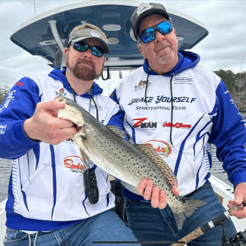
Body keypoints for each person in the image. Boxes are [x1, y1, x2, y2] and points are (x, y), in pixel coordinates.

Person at [110, 2, 246, 245]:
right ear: (141, 48)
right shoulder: (123, 89)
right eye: (148, 34)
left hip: (196, 196)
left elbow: (232, 138)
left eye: (164, 28)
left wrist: (241, 179)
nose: (159, 37)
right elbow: (110, 136)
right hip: (142, 204)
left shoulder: (209, 83)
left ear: (174, 33)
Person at [0, 22, 140, 246]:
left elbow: (121, 154)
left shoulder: (111, 108)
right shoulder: (33, 87)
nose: (88, 54)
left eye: (97, 50)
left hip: (95, 221)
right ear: (67, 52)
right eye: (81, 46)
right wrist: (29, 131)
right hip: (32, 228)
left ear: (104, 61)